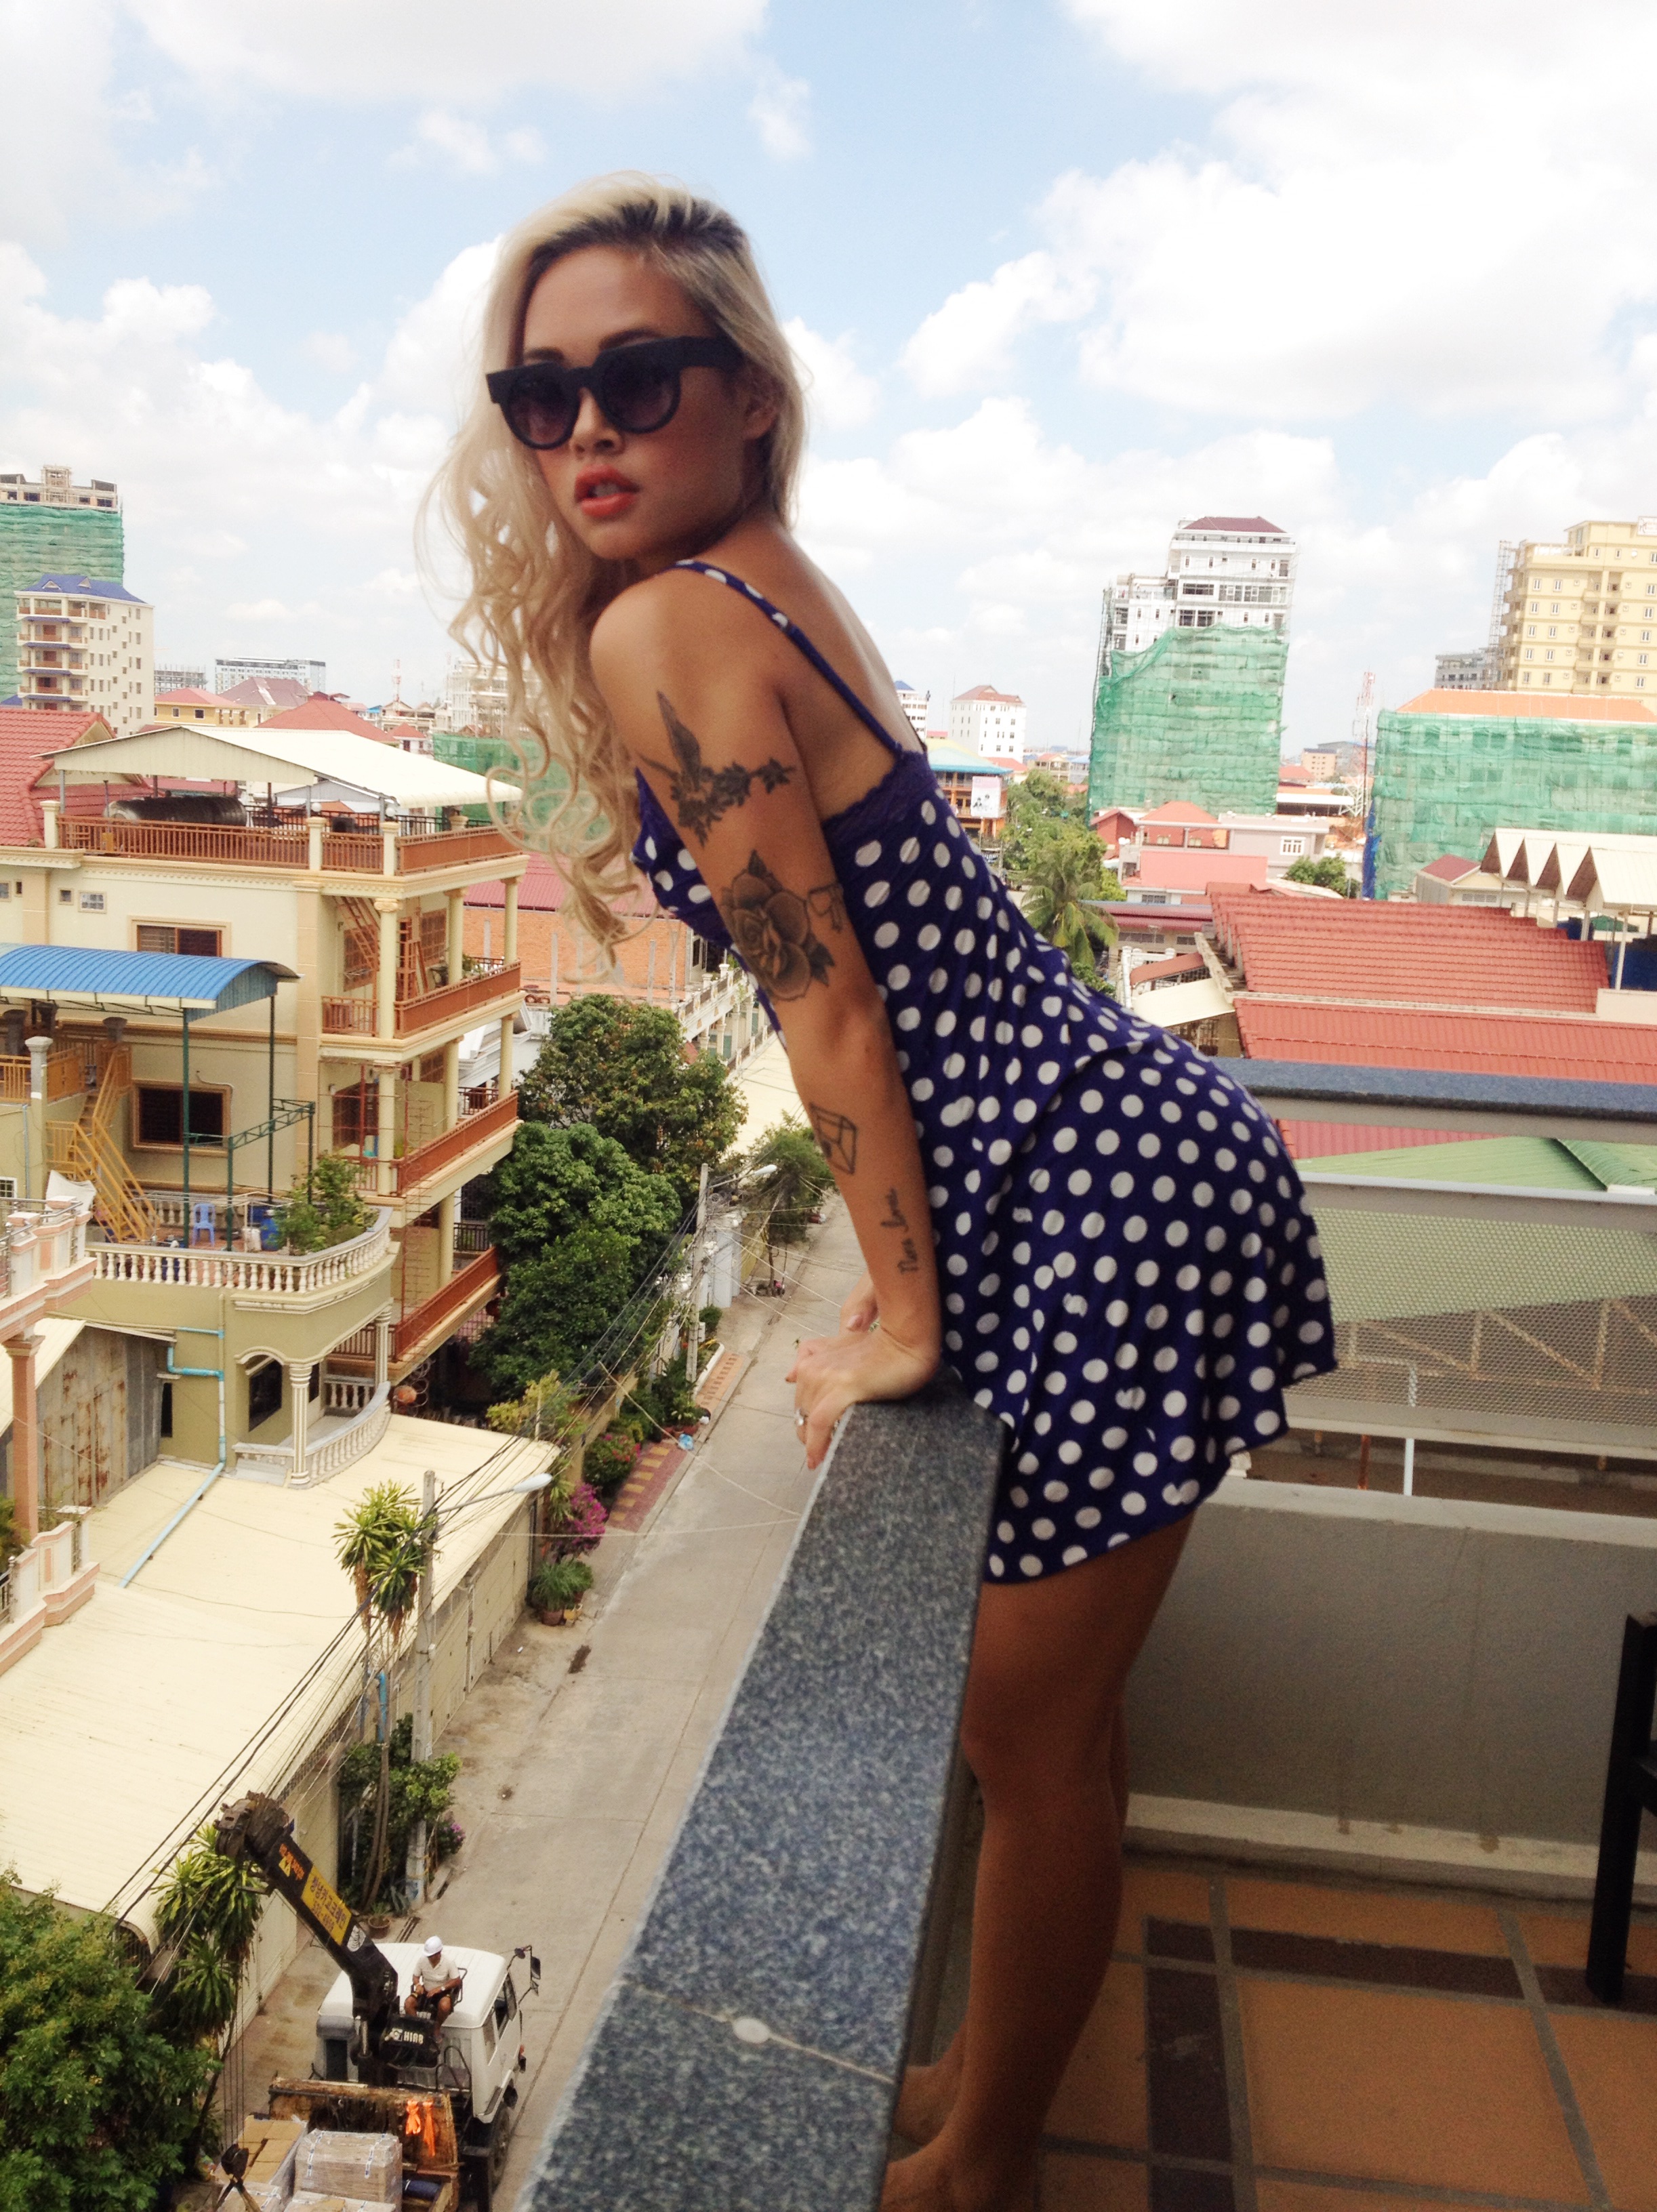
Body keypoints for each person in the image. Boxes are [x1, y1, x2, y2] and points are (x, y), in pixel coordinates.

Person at [430, 173, 1336, 2212]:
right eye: (539, 395)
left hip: (1092, 1181)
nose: (585, 432)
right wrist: (902, 1277)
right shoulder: (761, 572)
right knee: (1052, 1737)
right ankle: (979, 2070)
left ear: (746, 392)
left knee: (1034, 1746)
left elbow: (831, 1010)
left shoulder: (671, 618)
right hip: (1097, 1149)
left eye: (636, 378)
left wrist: (904, 1312)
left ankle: (984, 2153)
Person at [405, 1935, 464, 2022]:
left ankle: (437, 2026)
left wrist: (440, 1988)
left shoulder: (449, 1962)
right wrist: (418, 1985)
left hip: (443, 1993)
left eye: (431, 1956)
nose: (429, 1958)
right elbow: (416, 1976)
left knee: (445, 2006)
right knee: (408, 2003)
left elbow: (457, 1980)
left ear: (438, 1953)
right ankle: (417, 2025)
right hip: (426, 1992)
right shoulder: (422, 1960)